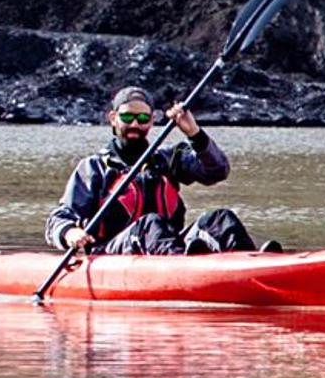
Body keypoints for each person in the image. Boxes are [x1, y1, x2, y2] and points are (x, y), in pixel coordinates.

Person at [51, 86, 262, 255]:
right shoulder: (93, 167)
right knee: (149, 224)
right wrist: (69, 232)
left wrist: (194, 133)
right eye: (127, 118)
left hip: (168, 246)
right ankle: (183, 270)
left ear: (152, 120)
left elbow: (217, 171)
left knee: (220, 219)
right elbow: (59, 217)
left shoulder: (167, 159)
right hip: (110, 253)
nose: (135, 124)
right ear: (113, 118)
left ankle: (252, 266)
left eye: (143, 119)